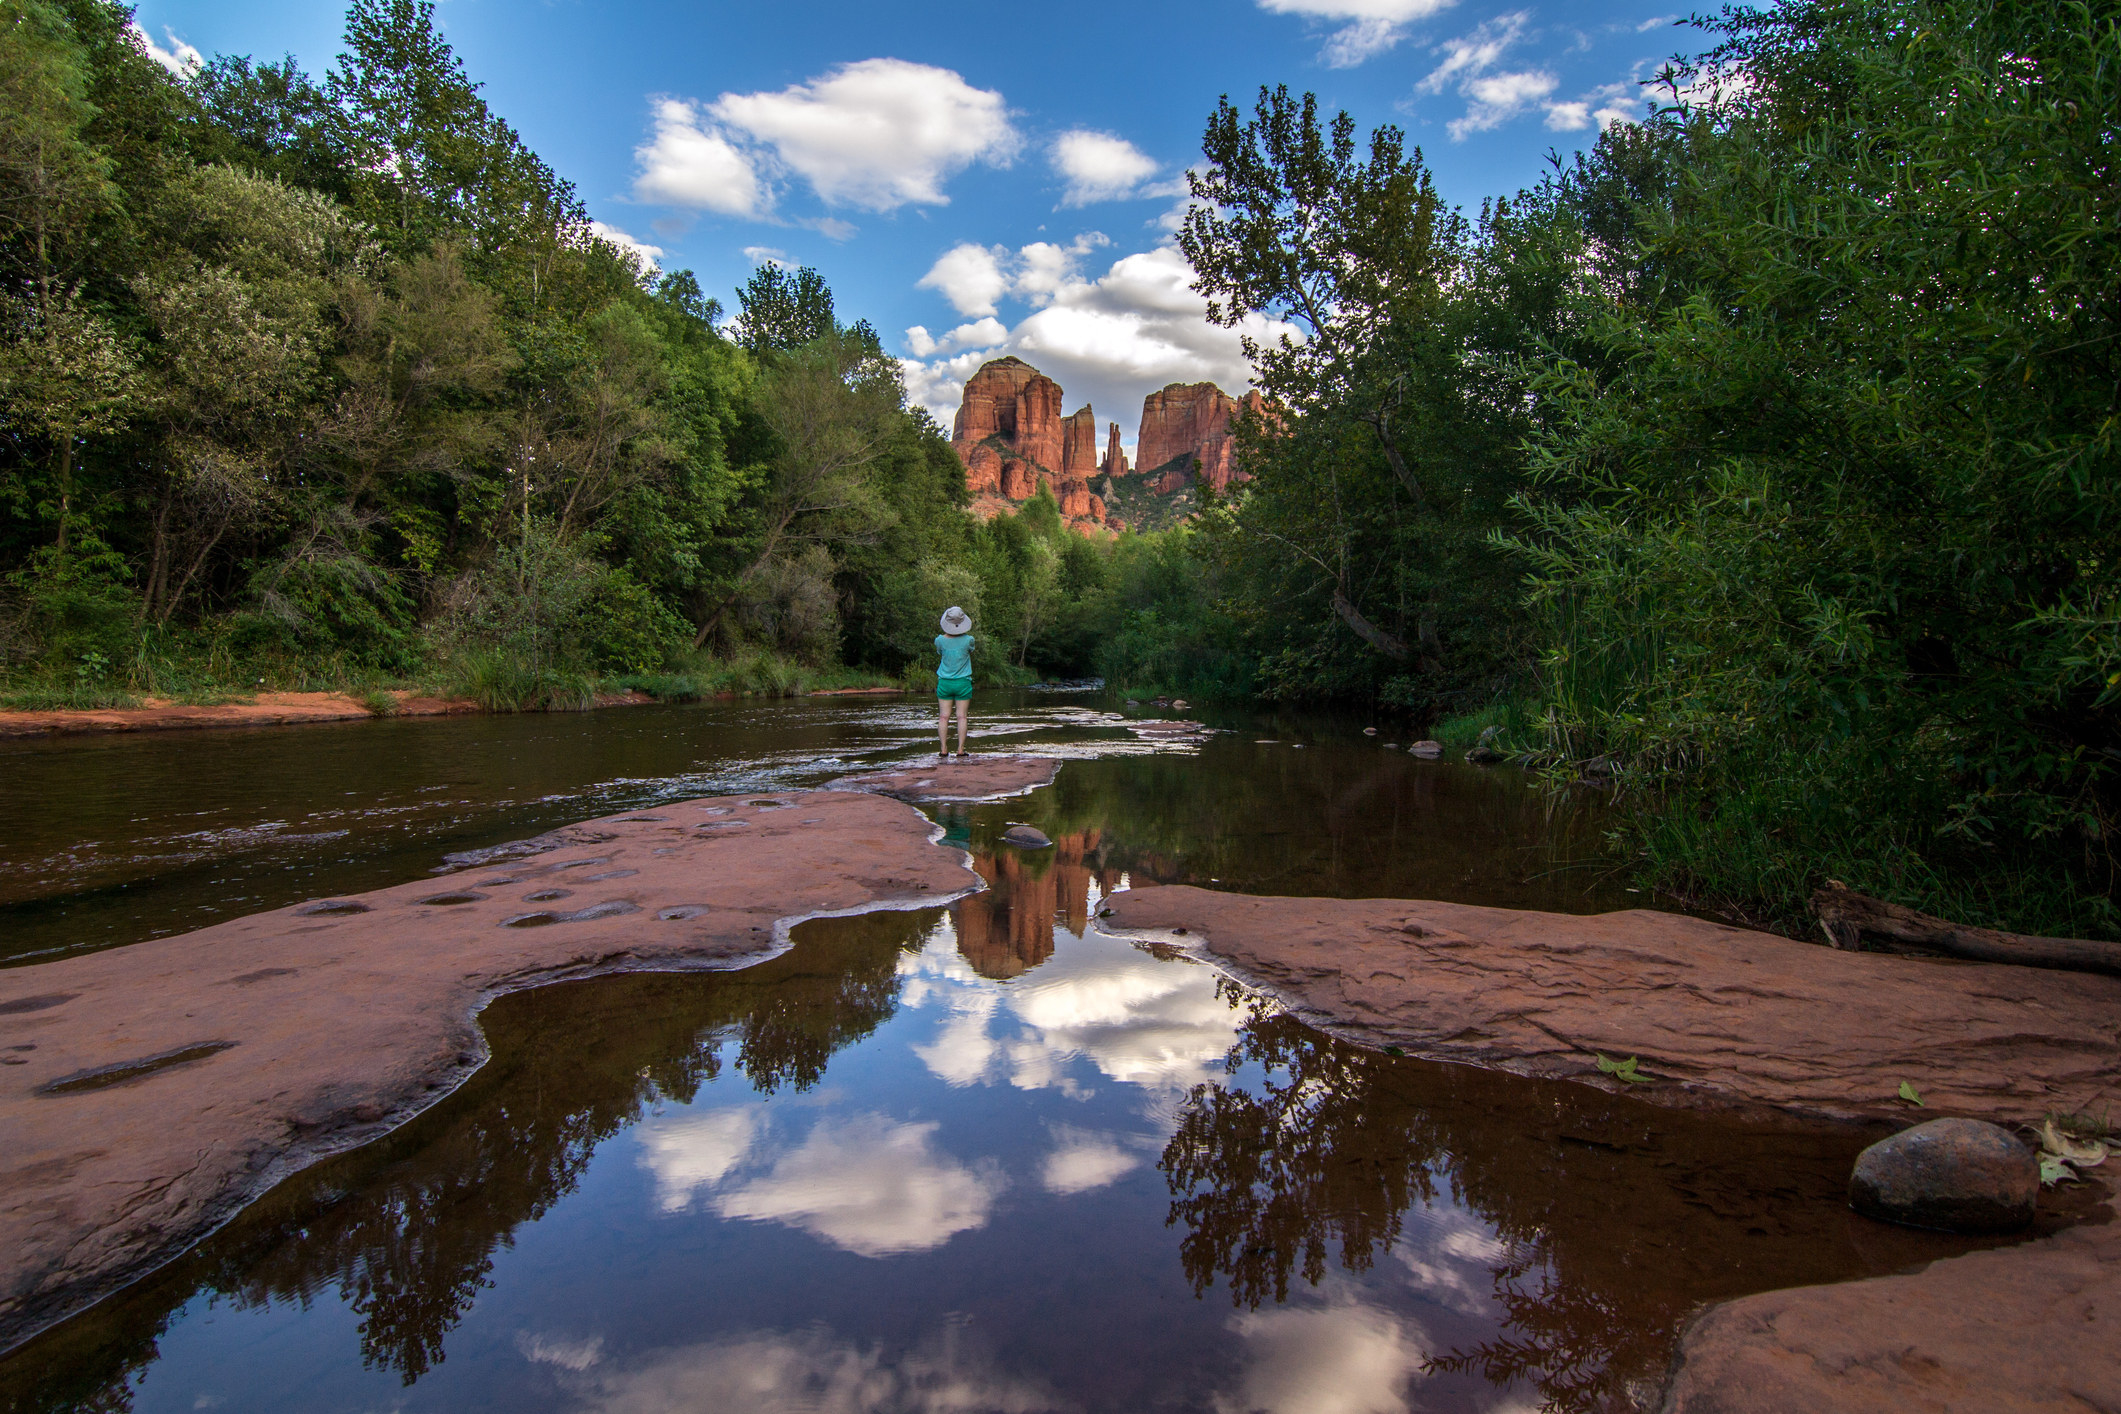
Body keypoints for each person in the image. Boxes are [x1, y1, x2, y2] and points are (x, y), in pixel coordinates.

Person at [935, 605, 974, 760]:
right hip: (963, 682)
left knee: (944, 716)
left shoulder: (939, 640)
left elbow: (940, 652)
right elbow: (970, 650)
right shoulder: (969, 640)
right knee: (962, 717)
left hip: (944, 682)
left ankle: (943, 749)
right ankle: (960, 749)